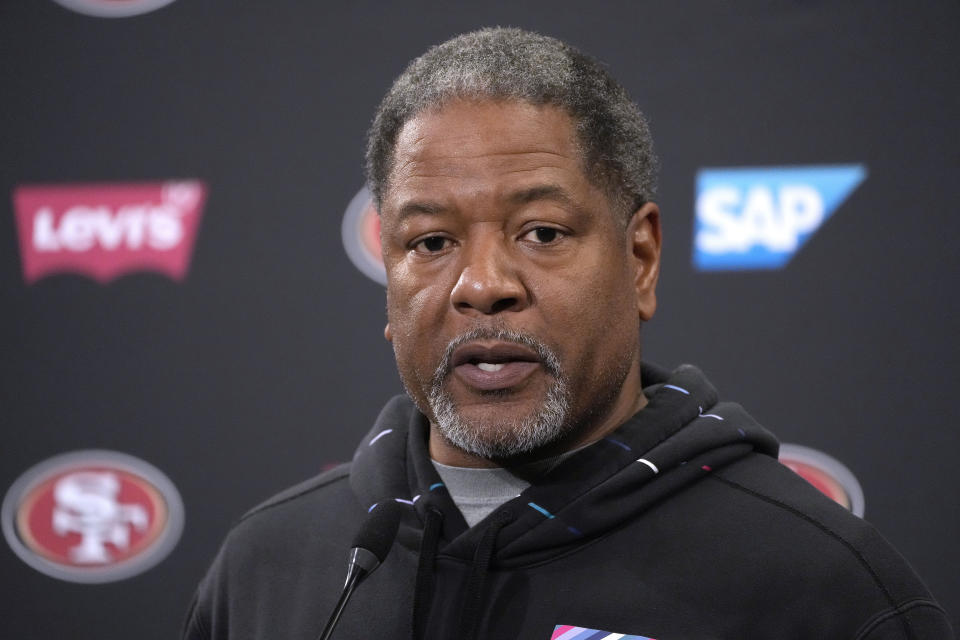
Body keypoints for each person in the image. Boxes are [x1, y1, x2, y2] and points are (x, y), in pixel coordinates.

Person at [183, 28, 952, 639]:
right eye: (430, 243)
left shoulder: (820, 585)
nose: (483, 285)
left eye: (543, 232)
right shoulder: (270, 564)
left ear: (641, 257)